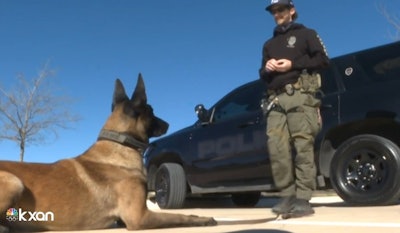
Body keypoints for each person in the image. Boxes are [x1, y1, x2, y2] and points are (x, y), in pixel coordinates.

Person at [259, 0, 329, 217]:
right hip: (275, 100)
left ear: (292, 10)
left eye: (281, 9)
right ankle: (287, 195)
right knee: (276, 147)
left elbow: (322, 59)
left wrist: (293, 64)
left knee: (302, 145)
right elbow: (262, 75)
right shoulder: (268, 45)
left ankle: (302, 198)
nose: (277, 14)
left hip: (300, 96)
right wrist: (267, 68)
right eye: (274, 11)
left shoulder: (307, 33)